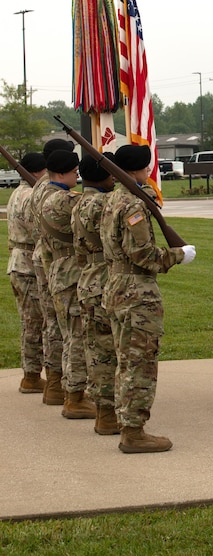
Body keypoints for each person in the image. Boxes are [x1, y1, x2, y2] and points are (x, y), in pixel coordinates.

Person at [100, 144, 196, 454]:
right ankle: (133, 432)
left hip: (115, 285)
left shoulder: (112, 199)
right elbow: (142, 254)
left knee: (125, 361)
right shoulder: (132, 205)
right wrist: (178, 255)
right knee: (139, 363)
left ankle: (126, 422)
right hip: (136, 291)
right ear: (141, 168)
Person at [40, 148, 96, 419]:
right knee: (77, 335)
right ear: (61, 173)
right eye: (74, 171)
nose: (77, 175)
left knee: (66, 332)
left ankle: (66, 388)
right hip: (71, 271)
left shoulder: (43, 194)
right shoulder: (64, 200)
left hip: (57, 269)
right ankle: (75, 396)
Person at [71, 153, 119, 435]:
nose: (114, 177)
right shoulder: (104, 204)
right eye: (111, 172)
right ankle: (108, 414)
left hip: (87, 277)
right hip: (104, 277)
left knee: (96, 350)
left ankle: (104, 412)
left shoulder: (79, 202)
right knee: (109, 352)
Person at [30, 138, 75, 406]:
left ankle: (56, 382)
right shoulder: (55, 194)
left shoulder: (39, 188)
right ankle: (60, 383)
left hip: (45, 257)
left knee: (53, 323)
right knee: (63, 326)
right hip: (55, 260)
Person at [6, 152, 47, 393]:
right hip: (28, 263)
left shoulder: (15, 193)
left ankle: (31, 373)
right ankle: (31, 376)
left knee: (29, 321)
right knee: (34, 323)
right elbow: (37, 232)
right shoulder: (31, 195)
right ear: (35, 172)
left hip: (18, 261)